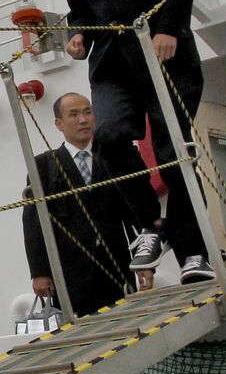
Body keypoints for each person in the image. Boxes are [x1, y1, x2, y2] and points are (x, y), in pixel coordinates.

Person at [50, 0, 216, 284]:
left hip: (164, 55)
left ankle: (194, 254)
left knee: (172, 151)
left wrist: (170, 28)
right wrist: (78, 33)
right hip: (111, 63)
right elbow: (80, 7)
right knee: (107, 137)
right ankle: (149, 226)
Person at [23, 93, 161, 316]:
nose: (83, 120)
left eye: (88, 112)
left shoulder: (113, 158)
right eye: (74, 114)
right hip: (68, 275)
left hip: (115, 268)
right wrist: (39, 272)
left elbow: (132, 213)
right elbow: (33, 222)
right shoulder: (44, 165)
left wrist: (145, 263)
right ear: (59, 123)